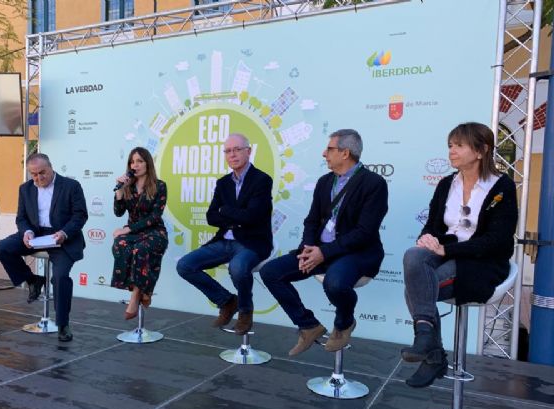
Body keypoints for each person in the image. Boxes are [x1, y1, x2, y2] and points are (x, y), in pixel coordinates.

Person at [401, 122, 518, 388]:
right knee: (413, 255)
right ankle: (426, 337)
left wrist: (447, 250)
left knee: (416, 289)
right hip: (447, 250)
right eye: (450, 145)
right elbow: (432, 224)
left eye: (459, 145)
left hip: (481, 261)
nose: (451, 151)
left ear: (481, 151)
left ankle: (432, 353)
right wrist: (427, 238)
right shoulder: (446, 184)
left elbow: (496, 241)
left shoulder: (502, 187)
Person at [261, 129, 388, 356]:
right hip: (320, 250)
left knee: (335, 283)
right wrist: (307, 248)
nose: (323, 153)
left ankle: (344, 323)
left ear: (345, 153)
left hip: (356, 253)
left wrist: (323, 253)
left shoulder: (374, 183)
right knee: (270, 272)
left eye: (329, 149)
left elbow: (364, 233)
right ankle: (308, 326)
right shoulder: (324, 182)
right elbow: (311, 221)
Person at [176, 133, 273, 335]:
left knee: (237, 267)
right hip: (224, 240)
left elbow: (253, 217)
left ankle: (245, 310)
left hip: (251, 242)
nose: (232, 155)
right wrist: (236, 217)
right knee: (185, 265)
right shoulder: (223, 183)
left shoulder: (262, 180)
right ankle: (227, 301)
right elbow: (211, 217)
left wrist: (226, 211)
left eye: (237, 149)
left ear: (249, 151)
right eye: (228, 151)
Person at [0, 152, 88, 342]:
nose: (38, 178)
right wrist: (27, 232)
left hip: (62, 237)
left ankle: (63, 324)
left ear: (51, 168)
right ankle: (33, 280)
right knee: (2, 248)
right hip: (36, 234)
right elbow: (21, 218)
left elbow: (80, 215)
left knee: (60, 277)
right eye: (34, 174)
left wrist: (64, 233)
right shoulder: (25, 189)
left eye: (42, 173)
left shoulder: (71, 186)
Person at [112, 147, 168, 318]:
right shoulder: (128, 186)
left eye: (139, 161)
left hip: (155, 232)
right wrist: (120, 190)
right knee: (119, 244)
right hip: (134, 233)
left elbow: (155, 217)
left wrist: (128, 229)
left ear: (147, 164)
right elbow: (118, 212)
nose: (135, 165)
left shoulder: (159, 186)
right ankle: (146, 291)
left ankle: (135, 296)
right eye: (132, 162)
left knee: (141, 249)